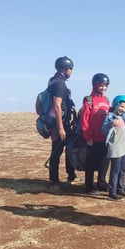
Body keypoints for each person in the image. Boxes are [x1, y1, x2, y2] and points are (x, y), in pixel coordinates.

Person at [47, 56, 76, 191]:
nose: (71, 71)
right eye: (70, 69)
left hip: (60, 122)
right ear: (65, 69)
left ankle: (71, 175)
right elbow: (57, 106)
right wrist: (60, 128)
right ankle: (54, 181)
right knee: (57, 151)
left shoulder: (53, 80)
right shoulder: (59, 84)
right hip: (60, 123)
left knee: (68, 148)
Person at [80, 73, 111, 195]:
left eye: (105, 85)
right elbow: (85, 120)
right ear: (95, 85)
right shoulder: (89, 100)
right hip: (93, 138)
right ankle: (89, 186)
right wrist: (88, 137)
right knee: (91, 162)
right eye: (101, 85)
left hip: (105, 137)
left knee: (105, 160)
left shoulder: (106, 100)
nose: (103, 88)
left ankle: (101, 183)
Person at [101, 93, 125, 201]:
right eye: (121, 106)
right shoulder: (110, 117)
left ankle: (120, 188)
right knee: (115, 170)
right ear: (116, 104)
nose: (123, 109)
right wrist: (111, 124)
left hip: (123, 146)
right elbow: (103, 130)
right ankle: (112, 192)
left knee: (123, 169)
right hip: (115, 147)